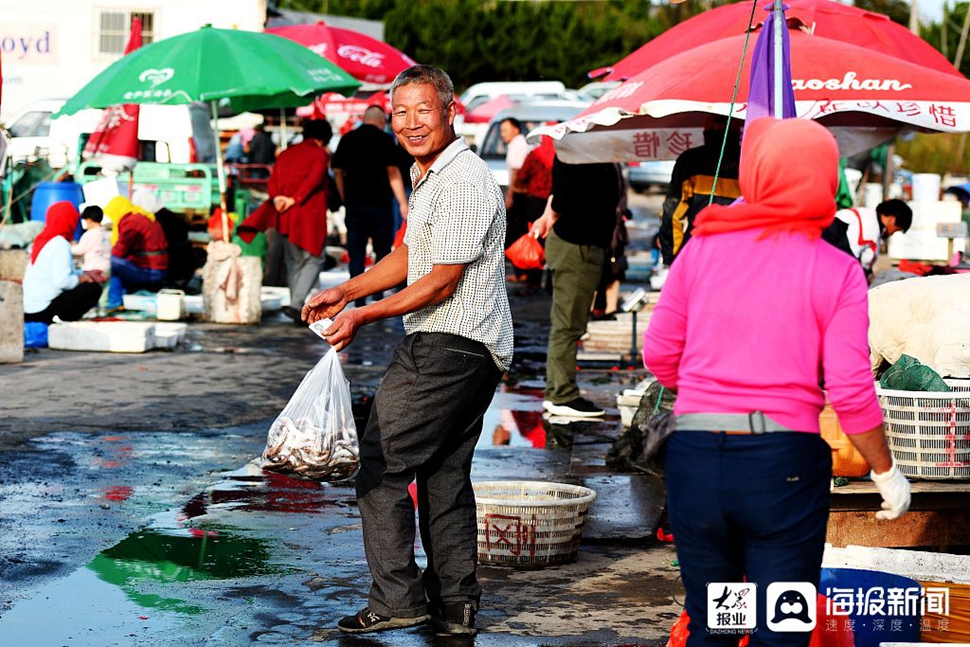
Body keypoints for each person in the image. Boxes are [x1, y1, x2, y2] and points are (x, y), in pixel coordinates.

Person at [642, 117, 911, 647]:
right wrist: (885, 471)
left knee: (718, 626)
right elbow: (851, 392)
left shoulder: (702, 248)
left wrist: (706, 391)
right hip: (779, 474)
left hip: (696, 463)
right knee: (781, 630)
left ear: (756, 174)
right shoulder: (835, 271)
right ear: (824, 179)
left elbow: (659, 355)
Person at [302, 64, 512, 637]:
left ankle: (397, 597)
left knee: (380, 467)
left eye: (424, 110)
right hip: (467, 349)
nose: (412, 122)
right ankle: (455, 606)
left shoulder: (465, 179)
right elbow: (408, 257)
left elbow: (440, 280)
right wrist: (346, 288)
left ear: (451, 112)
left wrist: (364, 314)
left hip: (449, 345)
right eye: (402, 111)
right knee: (443, 477)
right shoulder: (430, 176)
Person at [532, 157, 622, 418]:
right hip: (575, 247)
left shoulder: (592, 155)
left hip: (584, 247)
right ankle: (561, 394)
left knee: (572, 323)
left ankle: (560, 390)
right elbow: (561, 198)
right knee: (567, 324)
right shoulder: (575, 155)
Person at [331, 105, 410, 307]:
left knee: (356, 252)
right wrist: (402, 202)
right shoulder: (385, 140)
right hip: (380, 205)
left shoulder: (347, 139)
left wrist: (344, 196)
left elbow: (338, 172)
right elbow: (393, 172)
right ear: (382, 122)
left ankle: (357, 296)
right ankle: (377, 293)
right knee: (382, 250)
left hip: (354, 205)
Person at [266, 118, 333, 314]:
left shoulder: (286, 153)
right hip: (309, 214)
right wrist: (295, 199)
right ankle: (296, 305)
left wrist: (278, 198)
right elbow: (314, 179)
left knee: (293, 260)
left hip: (285, 214)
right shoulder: (320, 154)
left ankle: (296, 304)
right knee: (314, 258)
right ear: (323, 138)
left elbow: (273, 181)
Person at [659, 115, 742, 265]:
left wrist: (671, 256)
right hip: (740, 251)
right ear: (737, 132)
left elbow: (672, 213)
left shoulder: (689, 161)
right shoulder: (748, 160)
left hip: (698, 250)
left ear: (705, 132)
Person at [23, 201, 106, 324]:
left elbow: (63, 272)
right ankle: (63, 321)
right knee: (93, 289)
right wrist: (84, 278)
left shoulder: (44, 241)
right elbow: (62, 282)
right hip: (42, 310)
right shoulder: (60, 244)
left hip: (29, 309)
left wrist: (86, 273)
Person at [104, 196, 168, 312]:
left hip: (150, 270)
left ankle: (114, 303)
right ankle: (122, 297)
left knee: (112, 264)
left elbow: (119, 250)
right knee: (119, 264)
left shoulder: (131, 223)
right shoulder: (140, 217)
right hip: (157, 266)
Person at [507, 133, 555, 286]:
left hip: (533, 202)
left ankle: (532, 279)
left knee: (534, 237)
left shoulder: (535, 154)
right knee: (548, 241)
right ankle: (548, 280)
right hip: (551, 203)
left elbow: (522, 175)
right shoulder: (560, 155)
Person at [831, 199, 912, 278]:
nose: (892, 234)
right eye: (896, 230)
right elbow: (850, 256)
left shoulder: (869, 217)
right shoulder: (870, 225)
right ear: (892, 219)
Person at [500, 117, 531, 213]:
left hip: (519, 193)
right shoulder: (517, 143)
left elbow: (516, 171)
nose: (502, 134)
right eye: (501, 131)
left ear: (516, 130)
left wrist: (509, 196)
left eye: (505, 131)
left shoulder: (518, 144)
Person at [71, 205, 111, 274]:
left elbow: (80, 250)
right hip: (107, 267)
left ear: (89, 220)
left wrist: (69, 247)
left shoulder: (89, 234)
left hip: (93, 269)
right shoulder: (108, 233)